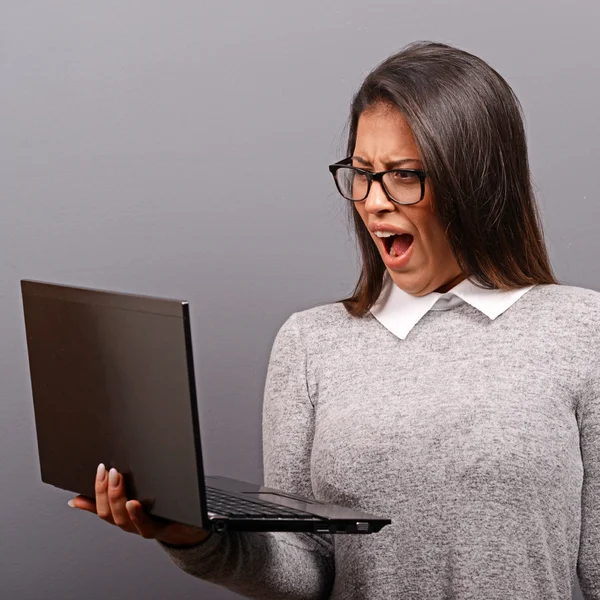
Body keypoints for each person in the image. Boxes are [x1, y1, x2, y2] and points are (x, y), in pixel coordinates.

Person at [69, 41, 600, 599]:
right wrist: (188, 537)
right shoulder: (310, 344)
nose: (372, 201)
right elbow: (306, 567)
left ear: (477, 182)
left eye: (403, 174)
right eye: (363, 173)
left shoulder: (582, 331)